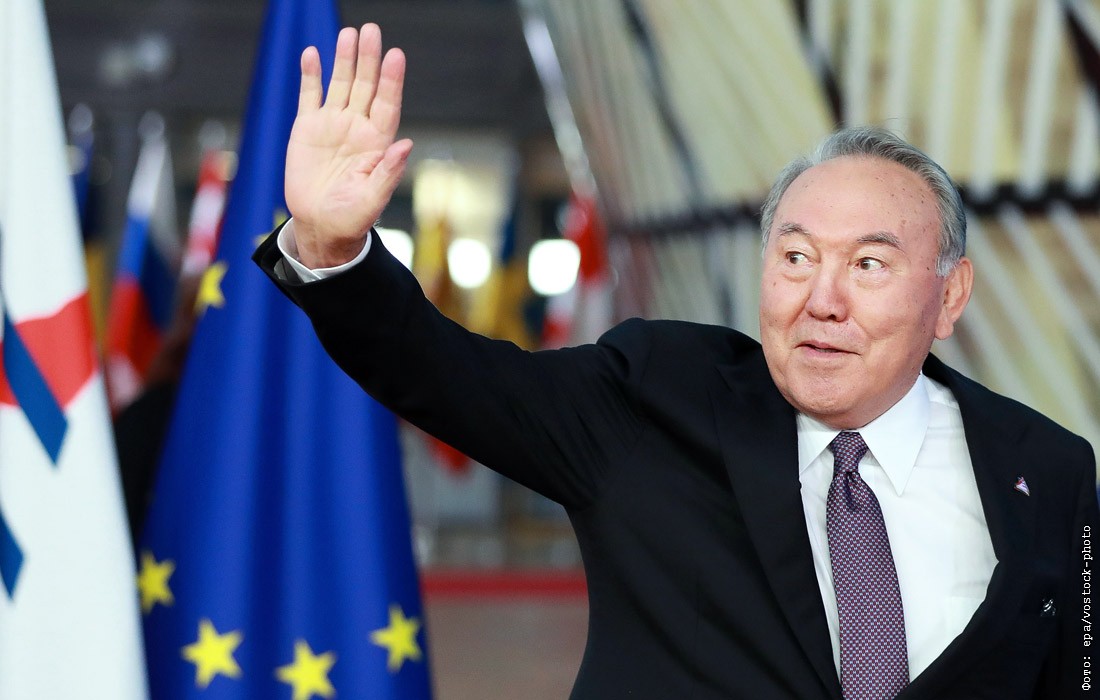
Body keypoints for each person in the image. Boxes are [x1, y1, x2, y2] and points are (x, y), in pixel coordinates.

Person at [254, 23, 1098, 699]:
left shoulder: (1050, 472)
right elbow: (447, 375)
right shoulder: (654, 399)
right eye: (795, 258)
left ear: (950, 296)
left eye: (869, 264)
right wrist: (334, 250)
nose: (823, 299)